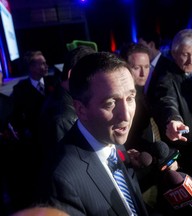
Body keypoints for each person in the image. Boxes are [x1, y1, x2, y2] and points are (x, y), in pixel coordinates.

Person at [37, 52, 149, 216]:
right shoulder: (62, 180)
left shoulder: (111, 136)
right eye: (111, 103)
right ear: (81, 109)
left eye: (130, 98)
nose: (126, 115)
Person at [149, 29, 192, 176]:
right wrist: (173, 119)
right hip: (184, 149)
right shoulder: (165, 76)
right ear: (174, 53)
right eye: (185, 54)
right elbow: (167, 100)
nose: (191, 60)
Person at [7, 50, 58, 212]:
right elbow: (14, 117)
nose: (46, 66)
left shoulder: (54, 82)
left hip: (56, 141)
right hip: (35, 148)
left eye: (45, 62)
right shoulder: (20, 90)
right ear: (31, 67)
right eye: (41, 63)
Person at [38, 46, 96, 167]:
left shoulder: (64, 100)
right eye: (92, 75)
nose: (95, 82)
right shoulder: (63, 116)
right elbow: (72, 164)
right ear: (72, 74)